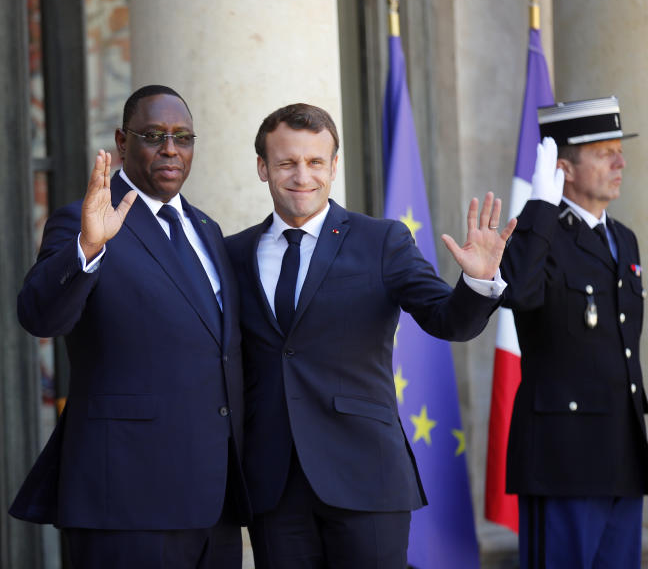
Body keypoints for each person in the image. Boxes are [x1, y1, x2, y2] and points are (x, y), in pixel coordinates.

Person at [225, 103, 514, 568]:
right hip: (273, 485)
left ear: (334, 166)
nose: (303, 175)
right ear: (263, 168)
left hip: (366, 474)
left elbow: (448, 321)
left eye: (316, 162)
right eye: (287, 162)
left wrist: (478, 284)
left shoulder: (382, 241)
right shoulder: (231, 253)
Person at [10, 85, 250, 568]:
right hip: (127, 496)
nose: (170, 149)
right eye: (154, 135)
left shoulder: (206, 229)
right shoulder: (86, 220)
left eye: (183, 137)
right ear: (122, 142)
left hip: (213, 501)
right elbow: (40, 315)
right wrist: (88, 248)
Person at [501, 96, 648, 568]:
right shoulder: (534, 233)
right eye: (605, 152)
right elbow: (519, 294)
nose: (620, 161)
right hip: (563, 459)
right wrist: (539, 208)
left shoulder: (623, 237)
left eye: (618, 150)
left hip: (622, 454)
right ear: (563, 168)